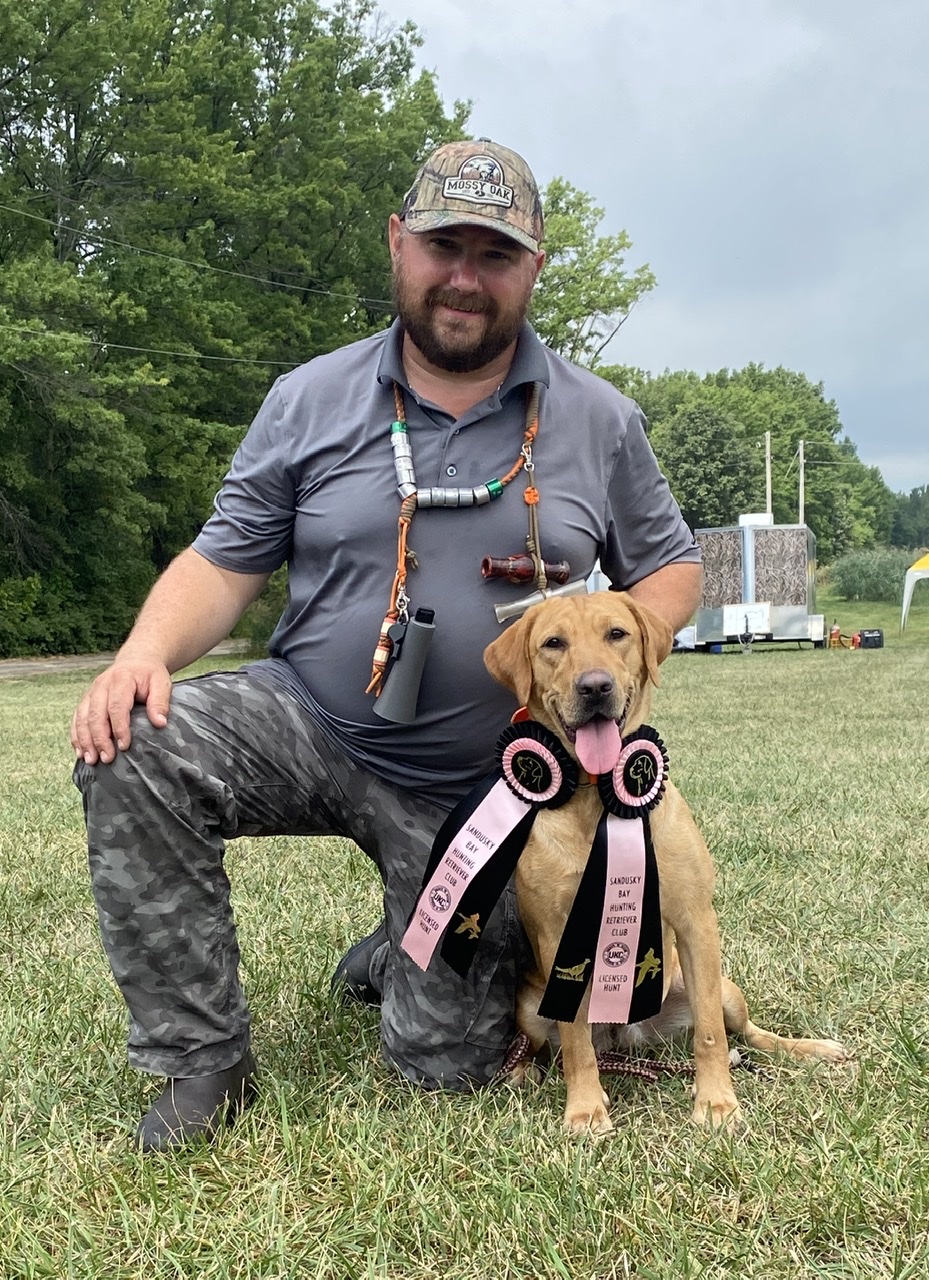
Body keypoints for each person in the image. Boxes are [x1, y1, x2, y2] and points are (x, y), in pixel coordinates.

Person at [71, 138, 702, 1152]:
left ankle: (391, 950)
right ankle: (201, 1060)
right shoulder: (307, 398)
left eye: (493, 254)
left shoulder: (598, 419)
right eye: (441, 245)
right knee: (137, 738)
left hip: (490, 790)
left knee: (445, 1065)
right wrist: (145, 649)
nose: (463, 276)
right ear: (396, 244)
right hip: (311, 723)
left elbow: (669, 567)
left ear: (533, 268)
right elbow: (224, 561)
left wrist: (629, 639)